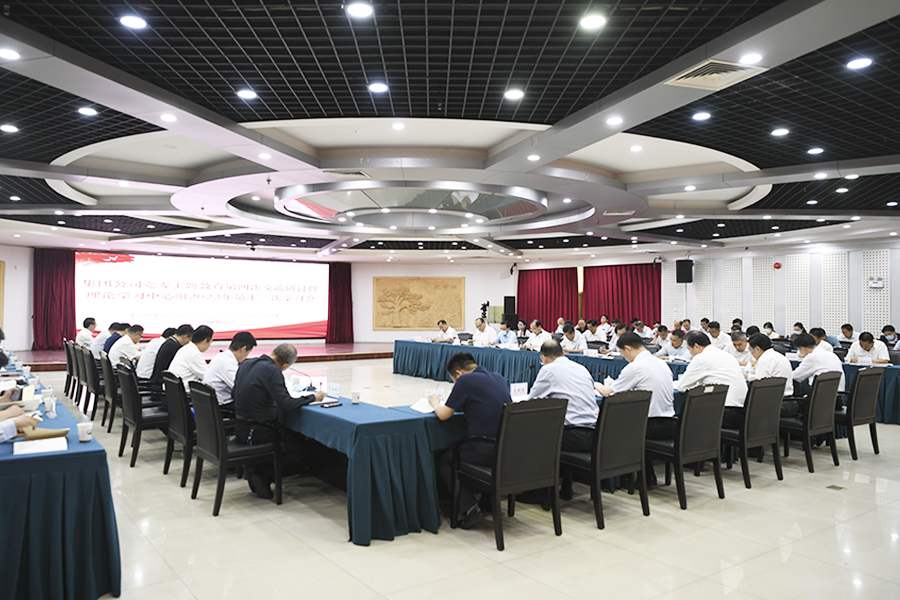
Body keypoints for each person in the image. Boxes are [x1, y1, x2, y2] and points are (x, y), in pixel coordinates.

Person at [428, 352, 511, 529]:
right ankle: (487, 501)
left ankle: (469, 507)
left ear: (458, 373)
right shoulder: (499, 377)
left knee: (444, 459)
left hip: (486, 448)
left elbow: (443, 415)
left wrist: (435, 402)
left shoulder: (465, 381)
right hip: (507, 448)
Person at [233, 344, 325, 499]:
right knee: (301, 447)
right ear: (285, 365)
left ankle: (257, 471)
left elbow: (234, 393)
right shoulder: (272, 370)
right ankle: (264, 475)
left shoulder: (247, 363)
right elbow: (287, 404)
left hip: (241, 426)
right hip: (259, 430)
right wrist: (313, 397)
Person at [594, 333, 677, 486]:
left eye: (622, 353)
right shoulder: (661, 363)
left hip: (651, 426)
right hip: (670, 423)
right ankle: (646, 477)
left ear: (627, 349)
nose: (623, 357)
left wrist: (595, 384)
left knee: (612, 427)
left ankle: (623, 480)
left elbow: (609, 392)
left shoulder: (635, 367)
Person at [528, 340, 599, 453]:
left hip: (572, 435)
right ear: (563, 354)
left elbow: (531, 402)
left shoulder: (548, 369)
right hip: (596, 434)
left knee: (530, 434)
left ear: (543, 358)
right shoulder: (582, 368)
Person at [675, 331, 748, 428]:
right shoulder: (727, 355)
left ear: (696, 346)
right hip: (743, 413)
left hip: (723, 413)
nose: (690, 353)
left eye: (689, 349)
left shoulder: (701, 358)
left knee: (686, 419)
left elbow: (682, 386)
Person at [203, 331, 257, 411]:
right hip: (222, 406)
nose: (246, 357)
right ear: (243, 349)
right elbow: (241, 388)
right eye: (247, 353)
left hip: (211, 403)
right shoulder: (228, 363)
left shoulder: (220, 356)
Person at [168, 325, 214, 392]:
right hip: (185, 392)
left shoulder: (186, 348)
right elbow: (207, 377)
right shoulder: (194, 354)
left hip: (174, 390)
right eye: (210, 342)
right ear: (204, 341)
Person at [150, 324, 194, 390]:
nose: (188, 343)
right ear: (185, 337)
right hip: (161, 386)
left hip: (157, 382)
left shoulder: (169, 343)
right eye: (189, 340)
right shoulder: (176, 347)